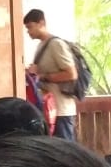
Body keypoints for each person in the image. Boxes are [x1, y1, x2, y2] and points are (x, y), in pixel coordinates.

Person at [23, 8, 79, 141]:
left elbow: (71, 74)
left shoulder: (56, 44)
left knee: (64, 150)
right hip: (48, 110)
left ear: (41, 23)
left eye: (30, 27)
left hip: (61, 111)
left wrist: (43, 76)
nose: (28, 31)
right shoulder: (40, 46)